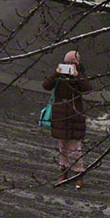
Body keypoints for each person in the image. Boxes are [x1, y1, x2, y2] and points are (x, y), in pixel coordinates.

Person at [42, 50, 93, 189]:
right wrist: (56, 73)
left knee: (76, 148)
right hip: (60, 116)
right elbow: (46, 85)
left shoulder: (79, 76)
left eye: (72, 63)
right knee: (62, 147)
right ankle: (63, 172)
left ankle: (78, 174)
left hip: (75, 115)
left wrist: (77, 75)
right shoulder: (59, 76)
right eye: (67, 62)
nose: (69, 65)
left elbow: (88, 88)